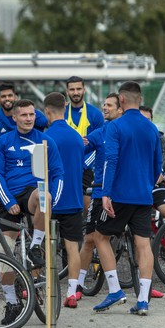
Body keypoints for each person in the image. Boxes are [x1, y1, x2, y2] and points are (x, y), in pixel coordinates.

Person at [91, 81, 162, 315]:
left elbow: (111, 161)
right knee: (143, 244)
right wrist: (145, 185)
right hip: (143, 195)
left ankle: (115, 290)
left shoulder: (115, 127)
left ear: (121, 100)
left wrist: (106, 193)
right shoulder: (151, 128)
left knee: (100, 237)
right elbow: (157, 167)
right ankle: (143, 300)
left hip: (119, 194)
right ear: (139, 99)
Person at [0, 99, 65, 268]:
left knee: (44, 197)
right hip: (9, 196)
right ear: (15, 117)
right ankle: (10, 294)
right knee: (5, 257)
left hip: (31, 193)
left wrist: (51, 201)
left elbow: (58, 174)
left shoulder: (46, 141)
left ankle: (35, 247)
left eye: (32, 114)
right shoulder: (3, 141)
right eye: (24, 115)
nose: (29, 118)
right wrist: (8, 201)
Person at [78, 93, 123, 300]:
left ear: (121, 109)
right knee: (89, 240)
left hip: (121, 194)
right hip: (100, 193)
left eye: (110, 105)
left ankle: (138, 290)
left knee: (139, 240)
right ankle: (77, 285)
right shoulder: (100, 132)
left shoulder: (125, 130)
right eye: (103, 104)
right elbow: (82, 148)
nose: (105, 108)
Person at [43, 92, 84, 308]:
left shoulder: (45, 138)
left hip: (50, 201)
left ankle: (36, 286)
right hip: (74, 200)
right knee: (72, 248)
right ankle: (71, 292)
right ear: (65, 109)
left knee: (41, 244)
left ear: (47, 111)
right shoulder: (77, 137)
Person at [139, 106, 165, 254]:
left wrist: (158, 171)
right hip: (136, 187)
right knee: (138, 229)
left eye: (148, 120)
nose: (145, 124)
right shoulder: (128, 137)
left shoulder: (159, 138)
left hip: (155, 185)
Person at [65, 76, 105, 212]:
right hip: (65, 167)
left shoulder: (95, 114)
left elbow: (99, 145)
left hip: (86, 170)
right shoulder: (61, 113)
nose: (75, 92)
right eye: (72, 89)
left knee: (88, 209)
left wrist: (83, 164)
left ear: (84, 90)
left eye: (78, 89)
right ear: (67, 92)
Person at [0, 83, 48, 156]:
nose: (7, 98)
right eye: (3, 96)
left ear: (15, 97)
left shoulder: (32, 114)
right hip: (9, 164)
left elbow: (50, 125)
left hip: (32, 162)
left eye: (10, 95)